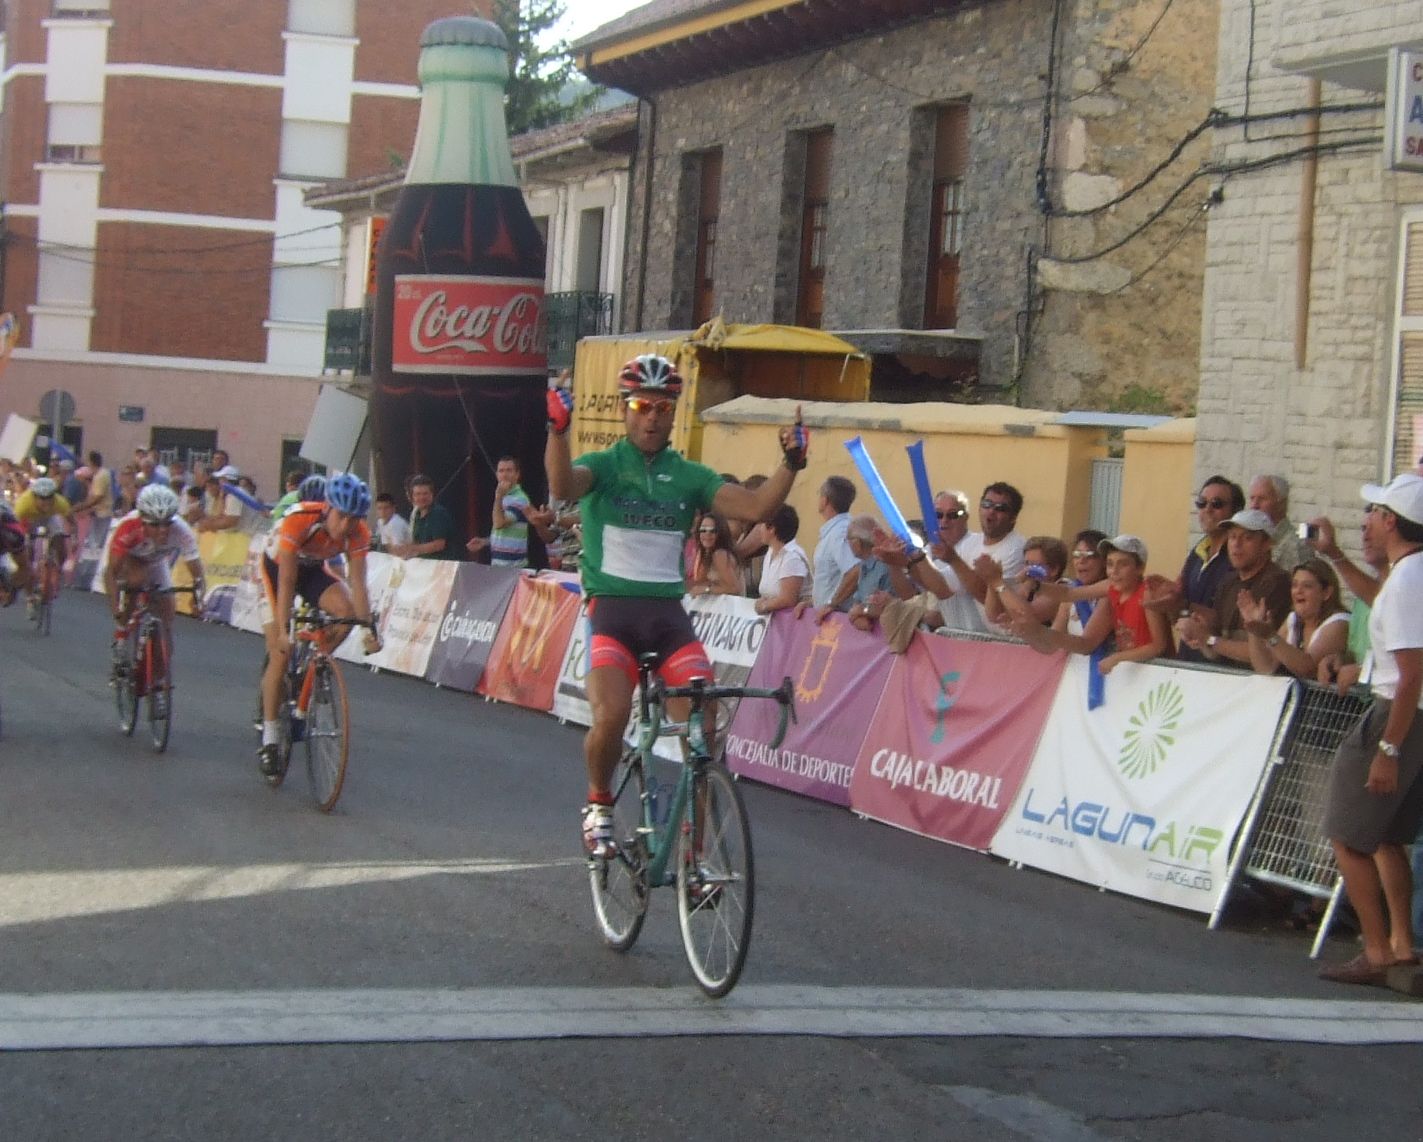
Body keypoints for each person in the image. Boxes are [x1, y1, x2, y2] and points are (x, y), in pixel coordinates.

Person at [544, 352, 805, 856]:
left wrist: (790, 464)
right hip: (611, 615)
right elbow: (561, 486)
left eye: (662, 408)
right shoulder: (604, 466)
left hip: (667, 619)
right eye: (641, 406)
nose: (651, 418)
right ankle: (598, 803)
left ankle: (694, 855)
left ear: (673, 414)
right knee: (611, 716)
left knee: (703, 727)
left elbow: (756, 507)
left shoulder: (688, 475)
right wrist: (558, 431)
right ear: (624, 409)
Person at [1317, 474, 1423, 985]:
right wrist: (1336, 557)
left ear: (1391, 521)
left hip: (1394, 714)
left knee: (1348, 836)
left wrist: (1388, 748)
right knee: (1385, 838)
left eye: (1376, 513)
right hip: (1409, 716)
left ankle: (1377, 950)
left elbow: (1410, 674)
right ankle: (1400, 945)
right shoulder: (1410, 575)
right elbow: (1382, 603)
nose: (1368, 521)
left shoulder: (1406, 580)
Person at [256, 473, 381, 779]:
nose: (346, 525)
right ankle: (270, 737)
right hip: (275, 571)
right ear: (328, 508)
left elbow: (358, 583)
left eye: (354, 519)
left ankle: (316, 664)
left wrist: (367, 630)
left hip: (312, 570)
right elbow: (286, 580)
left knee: (346, 613)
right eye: (342, 516)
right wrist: (284, 630)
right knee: (280, 653)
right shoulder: (299, 520)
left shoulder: (358, 533)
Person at [1013, 535, 1169, 674]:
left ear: (1140, 568)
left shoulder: (1147, 593)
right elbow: (1070, 593)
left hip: (1158, 671)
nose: (1114, 571)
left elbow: (1158, 645)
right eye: (1110, 564)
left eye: (1123, 564)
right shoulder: (1111, 586)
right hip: (1132, 668)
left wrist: (1117, 658)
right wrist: (1037, 586)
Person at [104, 484, 206, 677]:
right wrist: (117, 607)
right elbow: (111, 573)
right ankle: (122, 635)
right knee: (137, 580)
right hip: (131, 559)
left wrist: (198, 599)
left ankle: (158, 679)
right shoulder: (128, 527)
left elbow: (198, 573)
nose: (162, 530)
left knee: (167, 615)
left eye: (167, 523)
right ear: (142, 521)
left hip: (157, 562)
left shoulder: (181, 530)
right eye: (155, 525)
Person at [1174, 508, 1292, 669]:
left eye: (1247, 538)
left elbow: (1264, 653)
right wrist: (1200, 636)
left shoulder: (1276, 582)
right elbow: (1217, 650)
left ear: (1267, 544)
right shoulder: (1228, 581)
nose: (1236, 544)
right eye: (1232, 537)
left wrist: (1208, 639)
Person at [1144, 475, 1244, 662]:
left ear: (1235, 511)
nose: (1207, 509)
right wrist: (1167, 598)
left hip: (1223, 666)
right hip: (1189, 661)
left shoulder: (1239, 557)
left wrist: (1183, 604)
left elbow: (1227, 620)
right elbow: (1179, 616)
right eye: (1201, 503)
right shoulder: (1197, 551)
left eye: (1217, 504)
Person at [1238, 558, 1349, 679]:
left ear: (1326, 592)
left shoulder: (1339, 623)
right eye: (1295, 585)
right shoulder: (1293, 619)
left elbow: (1307, 668)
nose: (1298, 591)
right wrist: (1253, 629)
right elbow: (1266, 667)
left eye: (1307, 586)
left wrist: (1270, 636)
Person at [815, 514, 914, 630]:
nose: (847, 544)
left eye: (848, 540)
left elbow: (892, 605)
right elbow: (858, 601)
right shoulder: (864, 566)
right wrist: (857, 615)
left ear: (856, 543)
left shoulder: (884, 565)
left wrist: (862, 612)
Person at [12, 476, 74, 620]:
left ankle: (55, 572)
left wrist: (74, 537)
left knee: (60, 541)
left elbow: (71, 521)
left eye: (49, 497)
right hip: (29, 519)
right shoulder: (23, 504)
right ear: (34, 496)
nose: (46, 501)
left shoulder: (60, 502)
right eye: (42, 498)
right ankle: (30, 598)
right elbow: (16, 529)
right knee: (27, 555)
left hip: (51, 518)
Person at [980, 535, 1069, 629]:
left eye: (1034, 565)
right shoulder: (1030, 586)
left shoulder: (1062, 590)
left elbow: (1026, 616)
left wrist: (998, 583)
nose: (1027, 570)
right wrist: (992, 581)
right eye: (1027, 563)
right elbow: (994, 616)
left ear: (1054, 569)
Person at [809, 475, 858, 609]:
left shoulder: (839, 533)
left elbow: (855, 572)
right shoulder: (834, 532)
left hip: (838, 615)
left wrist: (832, 604)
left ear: (825, 500)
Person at [752, 504, 809, 617]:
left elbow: (788, 599)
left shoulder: (792, 557)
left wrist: (764, 606)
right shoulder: (770, 552)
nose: (759, 529)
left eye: (762, 524)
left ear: (772, 529)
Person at [1249, 473, 1306, 571]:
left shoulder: (1297, 545)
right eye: (1252, 498)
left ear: (1281, 504)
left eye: (1262, 499)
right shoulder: (1250, 539)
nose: (1254, 505)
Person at [393, 474, 456, 560]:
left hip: (440, 564)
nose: (422, 497)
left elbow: (439, 545)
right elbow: (415, 541)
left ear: (432, 494)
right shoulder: (416, 514)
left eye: (425, 493)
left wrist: (412, 548)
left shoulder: (438, 513)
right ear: (412, 497)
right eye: (418, 494)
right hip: (423, 564)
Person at [686, 511, 743, 597]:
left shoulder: (720, 554)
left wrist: (705, 589)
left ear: (721, 533)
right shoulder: (708, 553)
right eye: (703, 530)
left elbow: (734, 588)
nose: (707, 534)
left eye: (713, 531)